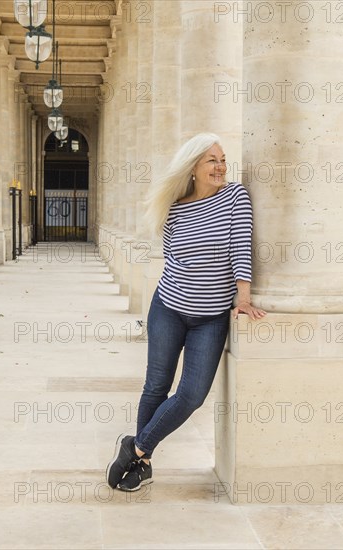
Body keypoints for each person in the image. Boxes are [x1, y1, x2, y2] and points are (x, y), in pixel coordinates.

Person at [106, 133, 266, 492]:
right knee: (156, 387)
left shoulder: (235, 197)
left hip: (209, 318)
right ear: (193, 167)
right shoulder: (174, 208)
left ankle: (135, 446)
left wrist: (243, 297)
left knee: (192, 394)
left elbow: (241, 245)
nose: (220, 166)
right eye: (212, 160)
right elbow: (175, 260)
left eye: (223, 159)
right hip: (168, 308)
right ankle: (143, 465)